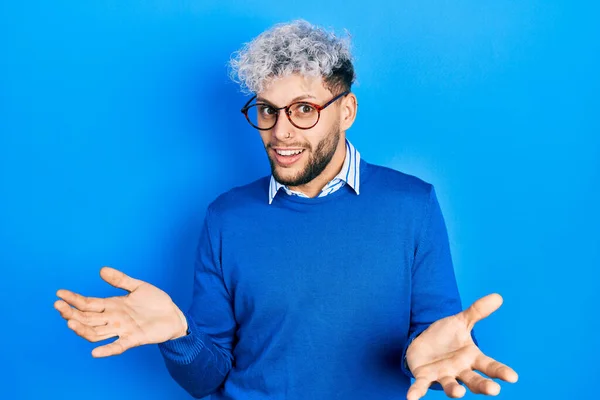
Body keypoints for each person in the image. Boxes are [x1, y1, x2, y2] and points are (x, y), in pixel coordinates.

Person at [54, 19, 518, 400]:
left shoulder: (412, 205)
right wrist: (179, 336)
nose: (281, 132)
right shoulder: (226, 218)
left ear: (347, 110)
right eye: (268, 110)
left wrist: (422, 352)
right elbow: (207, 377)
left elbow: (439, 339)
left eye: (303, 109)